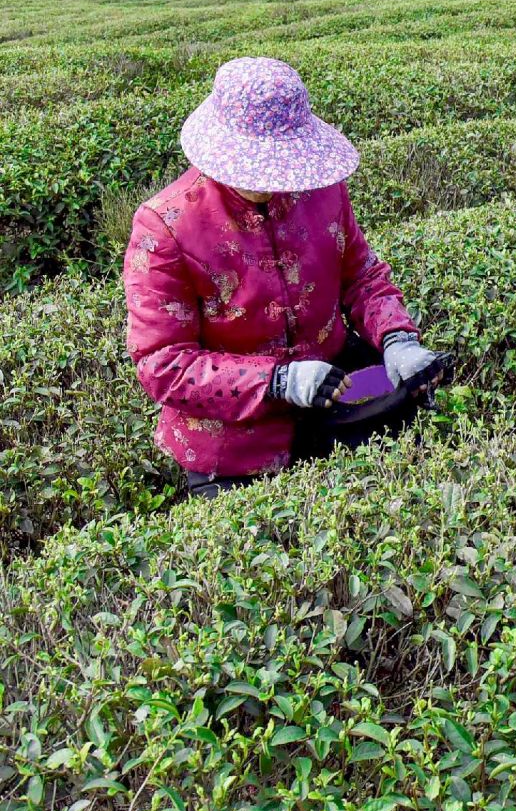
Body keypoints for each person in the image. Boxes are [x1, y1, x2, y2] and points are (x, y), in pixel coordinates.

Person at [124, 57, 446, 499]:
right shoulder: (166, 226)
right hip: (235, 440)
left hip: (335, 395)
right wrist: (277, 380)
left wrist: (397, 339)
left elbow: (362, 277)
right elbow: (162, 363)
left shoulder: (323, 189)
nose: (273, 181)